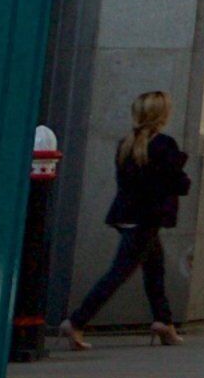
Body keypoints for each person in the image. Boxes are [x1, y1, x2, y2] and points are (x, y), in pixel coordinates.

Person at [58, 90, 190, 348]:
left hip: (127, 215)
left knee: (154, 269)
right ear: (162, 115)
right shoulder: (164, 145)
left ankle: (164, 322)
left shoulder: (127, 143)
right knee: (118, 273)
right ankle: (76, 322)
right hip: (147, 218)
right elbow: (179, 184)